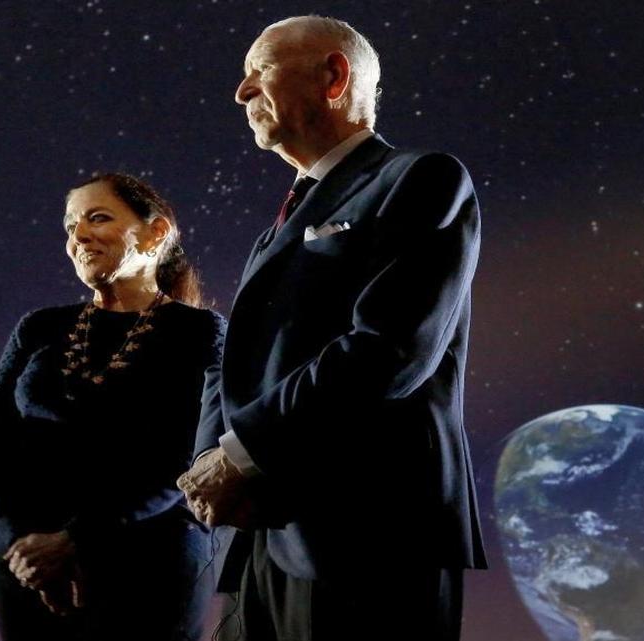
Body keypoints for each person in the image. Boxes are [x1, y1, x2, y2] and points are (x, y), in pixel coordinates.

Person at [176, 14, 487, 641]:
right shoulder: (281, 227)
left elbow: (389, 348)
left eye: (257, 72)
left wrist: (238, 456)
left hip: (370, 533)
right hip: (264, 533)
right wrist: (208, 461)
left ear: (334, 76)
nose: (240, 93)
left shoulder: (420, 179)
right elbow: (239, 360)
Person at [0, 173, 224, 641]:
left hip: (146, 555)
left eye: (97, 218)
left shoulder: (200, 332)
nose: (77, 235)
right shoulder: (40, 327)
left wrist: (76, 542)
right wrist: (23, 541)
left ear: (156, 232)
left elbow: (187, 451)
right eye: (69, 226)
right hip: (22, 556)